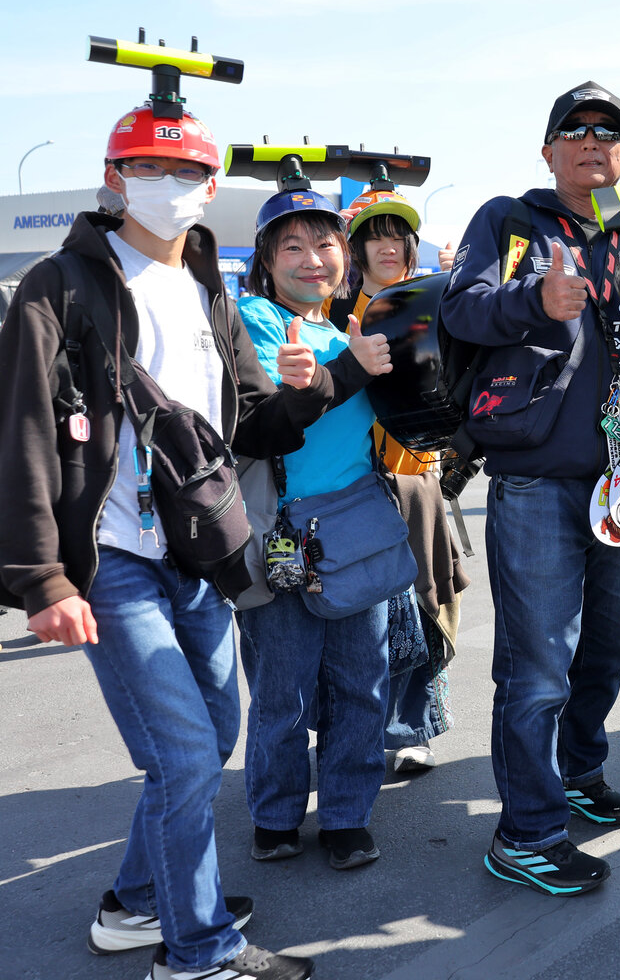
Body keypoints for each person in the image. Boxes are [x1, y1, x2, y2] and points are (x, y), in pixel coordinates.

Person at [0, 97, 374, 980]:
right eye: (147, 168)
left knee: (210, 737)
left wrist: (328, 378)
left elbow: (249, 426)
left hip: (198, 558)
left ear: (211, 187)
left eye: (185, 172)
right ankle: (197, 952)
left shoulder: (209, 290)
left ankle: (136, 905)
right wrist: (40, 577)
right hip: (113, 560)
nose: (166, 187)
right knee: (182, 755)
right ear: (113, 176)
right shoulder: (61, 284)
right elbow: (19, 429)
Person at [440, 82, 620, 895]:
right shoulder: (510, 222)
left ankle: (578, 772)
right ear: (548, 151)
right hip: (535, 479)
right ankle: (527, 834)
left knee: (606, 650)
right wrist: (533, 299)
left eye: (607, 131)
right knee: (537, 666)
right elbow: (461, 312)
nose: (590, 141)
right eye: (572, 131)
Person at [236, 188, 399, 873]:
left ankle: (345, 814)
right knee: (285, 687)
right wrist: (340, 372)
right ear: (267, 262)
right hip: (283, 532)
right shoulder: (252, 320)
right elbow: (273, 412)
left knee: (363, 680)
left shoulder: (351, 331)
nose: (313, 260)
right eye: (293, 247)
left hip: (356, 522)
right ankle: (275, 813)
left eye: (326, 244)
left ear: (346, 256)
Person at [334, 189, 469, 775]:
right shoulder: (340, 316)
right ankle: (359, 734)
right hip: (361, 488)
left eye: (397, 235)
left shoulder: (439, 301)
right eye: (373, 236)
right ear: (355, 248)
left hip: (425, 483)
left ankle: (414, 730)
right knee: (372, 620)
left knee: (430, 609)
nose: (387, 246)